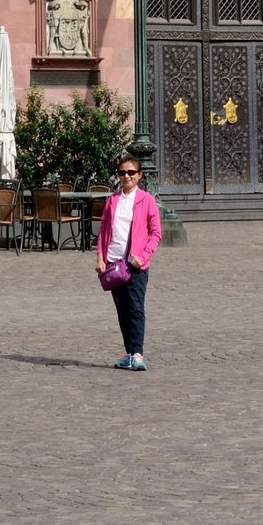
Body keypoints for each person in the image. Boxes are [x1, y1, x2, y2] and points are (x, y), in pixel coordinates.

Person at [95, 154, 160, 369]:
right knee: (122, 311)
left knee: (135, 309)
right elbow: (104, 229)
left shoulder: (146, 200)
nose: (126, 176)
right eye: (122, 172)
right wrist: (101, 258)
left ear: (139, 175)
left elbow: (155, 232)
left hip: (135, 265)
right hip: (114, 264)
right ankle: (129, 353)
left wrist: (143, 256)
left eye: (131, 172)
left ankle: (138, 354)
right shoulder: (113, 200)